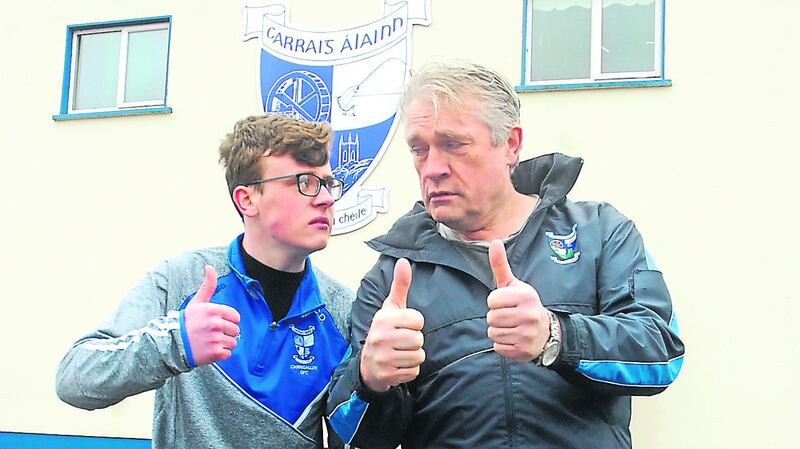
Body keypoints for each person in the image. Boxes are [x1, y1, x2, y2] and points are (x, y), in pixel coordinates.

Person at [326, 60, 685, 449]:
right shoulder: (393, 274)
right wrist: (370, 379)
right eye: (419, 149)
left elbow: (661, 355)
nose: (433, 168)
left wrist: (557, 336)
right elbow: (348, 435)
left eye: (453, 144)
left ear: (510, 144)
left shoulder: (598, 231)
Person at [57, 114, 356, 449]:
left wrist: (376, 384)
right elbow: (75, 377)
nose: (326, 198)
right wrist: (177, 342)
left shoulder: (343, 311)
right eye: (305, 182)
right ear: (247, 199)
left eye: (328, 183)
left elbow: (352, 435)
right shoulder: (181, 280)